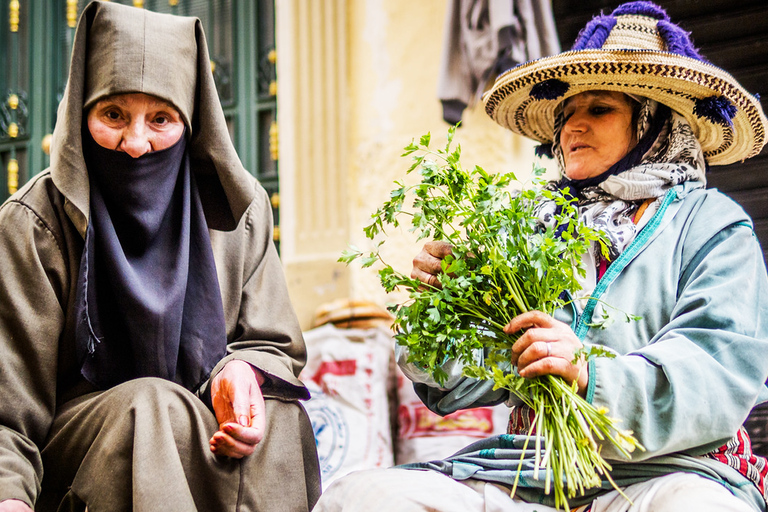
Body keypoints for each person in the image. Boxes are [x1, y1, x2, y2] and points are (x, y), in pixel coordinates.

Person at [313, 2, 768, 511]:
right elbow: (459, 386)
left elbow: (715, 371)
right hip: (531, 475)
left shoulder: (711, 224)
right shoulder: (531, 229)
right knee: (360, 497)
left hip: (666, 474)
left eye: (599, 109)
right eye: (566, 114)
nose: (573, 128)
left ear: (654, 124)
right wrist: (443, 313)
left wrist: (589, 373)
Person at [0, 2, 320, 511]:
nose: (136, 143)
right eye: (113, 115)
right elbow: (8, 411)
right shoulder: (34, 223)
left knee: (280, 416)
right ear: (81, 113)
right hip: (83, 454)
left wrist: (240, 372)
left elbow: (273, 344)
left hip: (196, 425)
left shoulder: (241, 210)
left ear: (192, 122)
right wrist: (10, 497)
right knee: (151, 404)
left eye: (162, 118)